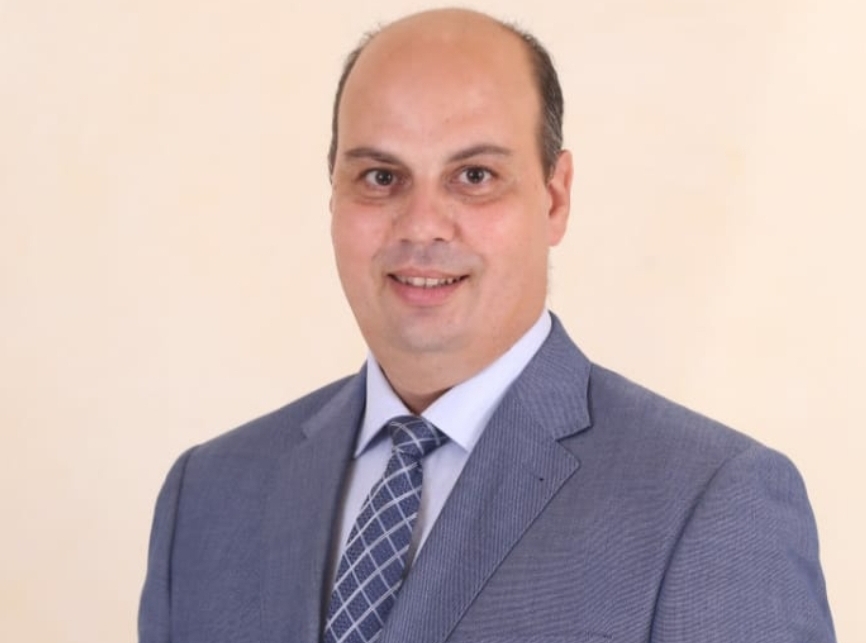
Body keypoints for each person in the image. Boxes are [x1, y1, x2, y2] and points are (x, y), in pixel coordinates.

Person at [139, 8, 835, 643]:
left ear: (555, 198)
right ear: (333, 195)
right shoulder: (207, 499)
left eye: (474, 176)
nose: (421, 226)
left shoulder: (712, 505)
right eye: (380, 177)